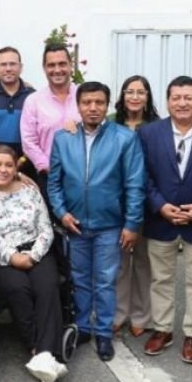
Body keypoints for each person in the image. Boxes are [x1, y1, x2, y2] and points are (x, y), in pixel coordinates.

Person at [47, 81, 145, 362]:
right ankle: (83, 327)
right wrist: (62, 213)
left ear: (107, 105)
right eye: (87, 102)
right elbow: (54, 183)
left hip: (110, 225)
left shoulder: (125, 138)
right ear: (78, 106)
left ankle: (103, 333)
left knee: (104, 280)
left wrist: (131, 224)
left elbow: (135, 185)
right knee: (79, 279)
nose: (93, 108)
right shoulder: (63, 138)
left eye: (99, 102)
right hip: (74, 223)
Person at [140, 76, 192, 364]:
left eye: (188, 97)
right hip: (160, 220)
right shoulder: (149, 133)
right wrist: (159, 205)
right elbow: (143, 175)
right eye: (176, 97)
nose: (182, 103)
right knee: (161, 279)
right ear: (167, 101)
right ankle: (163, 329)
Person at [0, 147, 68, 382]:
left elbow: (46, 227)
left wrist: (33, 256)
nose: (2, 170)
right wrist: (13, 257)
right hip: (5, 255)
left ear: (16, 169)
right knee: (17, 289)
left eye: (8, 165)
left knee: (47, 287)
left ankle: (45, 353)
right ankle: (35, 346)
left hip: (37, 250)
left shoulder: (30, 191)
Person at [114, 75, 158, 342]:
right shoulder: (111, 122)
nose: (134, 96)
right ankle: (118, 314)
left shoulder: (156, 126)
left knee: (143, 261)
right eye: (129, 91)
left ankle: (141, 316)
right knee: (118, 261)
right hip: (115, 200)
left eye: (140, 92)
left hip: (146, 199)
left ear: (148, 97)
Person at [20, 44, 81, 197]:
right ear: (44, 68)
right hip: (49, 177)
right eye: (51, 65)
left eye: (62, 64)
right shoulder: (33, 101)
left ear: (71, 65)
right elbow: (28, 141)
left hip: (84, 176)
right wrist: (48, 167)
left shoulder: (85, 96)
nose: (57, 69)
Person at [0, 47, 34, 166]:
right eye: (3, 64)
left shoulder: (33, 96)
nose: (8, 69)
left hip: (26, 163)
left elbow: (38, 133)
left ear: (20, 67)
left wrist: (23, 160)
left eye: (12, 64)